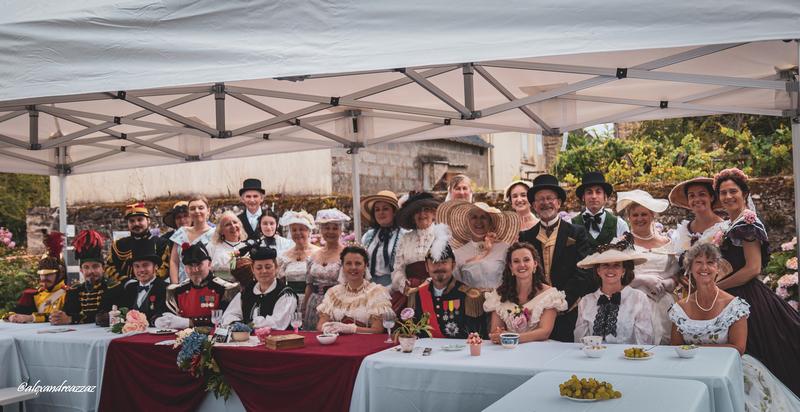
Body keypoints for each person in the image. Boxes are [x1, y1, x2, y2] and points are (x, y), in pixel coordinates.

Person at [669, 242, 800, 410]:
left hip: (730, 370)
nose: (704, 267)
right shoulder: (680, 308)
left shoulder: (735, 306)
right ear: (690, 268)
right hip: (691, 371)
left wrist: (694, 348)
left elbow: (738, 347)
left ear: (718, 268)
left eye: (710, 262)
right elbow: (674, 345)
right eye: (698, 262)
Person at [713, 167, 800, 395]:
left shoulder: (747, 224)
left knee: (758, 349)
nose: (728, 197)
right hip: (732, 293)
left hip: (746, 295)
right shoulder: (731, 224)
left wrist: (716, 288)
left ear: (745, 194)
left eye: (733, 191)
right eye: (723, 193)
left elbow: (753, 268)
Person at [519, 174, 593, 342]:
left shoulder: (577, 233)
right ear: (534, 205)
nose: (545, 203)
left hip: (568, 310)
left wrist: (562, 303)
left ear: (559, 203)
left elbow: (583, 271)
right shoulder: (526, 236)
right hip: (535, 311)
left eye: (550, 198)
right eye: (540, 199)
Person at [616, 190, 680, 345]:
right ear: (629, 217)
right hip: (632, 303)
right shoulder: (621, 244)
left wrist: (666, 284)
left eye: (644, 214)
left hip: (664, 303)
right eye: (635, 215)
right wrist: (642, 279)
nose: (639, 219)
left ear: (652, 216)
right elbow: (614, 278)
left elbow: (675, 276)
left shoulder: (666, 242)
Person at [574, 233, 655, 345]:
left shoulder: (638, 298)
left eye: (616, 265)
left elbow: (645, 342)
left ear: (623, 271)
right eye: (605, 265)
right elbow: (580, 342)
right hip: (594, 359)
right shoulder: (586, 301)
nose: (610, 269)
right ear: (598, 270)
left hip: (628, 359)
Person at [408, 225, 487, 338]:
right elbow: (414, 335)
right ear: (426, 267)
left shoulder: (469, 297)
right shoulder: (416, 296)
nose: (439, 267)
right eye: (435, 262)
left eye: (444, 262)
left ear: (453, 265)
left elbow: (475, 338)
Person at [485, 242, 567, 344]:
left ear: (535, 263)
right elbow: (495, 331)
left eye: (526, 260)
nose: (522, 265)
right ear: (511, 266)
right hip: (508, 349)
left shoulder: (550, 295)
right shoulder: (499, 294)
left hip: (539, 350)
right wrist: (497, 335)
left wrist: (512, 338)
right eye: (516, 261)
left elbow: (545, 332)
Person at [436, 200, 519, 289]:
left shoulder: (504, 248)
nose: (479, 221)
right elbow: (457, 285)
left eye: (483, 217)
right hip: (471, 302)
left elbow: (514, 278)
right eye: (474, 217)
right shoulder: (458, 253)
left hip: (501, 300)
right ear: (468, 222)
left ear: (490, 222)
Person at [155, 243, 239, 328]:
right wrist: (158, 320)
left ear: (209, 265)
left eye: (199, 264)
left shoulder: (225, 289)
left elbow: (225, 319)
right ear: (185, 269)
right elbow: (161, 313)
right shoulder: (178, 291)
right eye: (190, 266)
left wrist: (189, 322)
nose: (195, 270)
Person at [52, 230, 123, 325]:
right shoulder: (76, 290)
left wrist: (71, 319)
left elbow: (101, 314)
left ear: (103, 269)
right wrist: (58, 316)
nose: (91, 271)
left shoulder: (113, 288)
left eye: (95, 266)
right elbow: (68, 311)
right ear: (81, 270)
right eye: (86, 267)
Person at [316, 246, 392, 334]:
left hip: (365, 343)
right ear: (343, 266)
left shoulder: (377, 292)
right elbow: (320, 324)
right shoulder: (334, 293)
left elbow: (378, 330)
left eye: (358, 263)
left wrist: (351, 329)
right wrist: (326, 328)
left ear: (365, 266)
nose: (353, 267)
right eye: (348, 263)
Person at [221, 246, 298, 329]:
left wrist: (247, 324)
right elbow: (229, 315)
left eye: (268, 267)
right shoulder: (247, 291)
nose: (264, 271)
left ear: (276, 268)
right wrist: (238, 324)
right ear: (252, 270)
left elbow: (277, 323)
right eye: (259, 268)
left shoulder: (285, 294)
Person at [391, 191, 442, 314]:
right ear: (412, 216)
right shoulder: (405, 239)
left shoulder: (443, 235)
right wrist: (405, 287)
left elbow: (450, 266)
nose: (422, 214)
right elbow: (398, 268)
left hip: (437, 289)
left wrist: (430, 285)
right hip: (409, 291)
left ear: (434, 213)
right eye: (417, 211)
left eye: (426, 209)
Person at [3, 232, 70, 323]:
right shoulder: (35, 296)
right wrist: (11, 316)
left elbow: (66, 315)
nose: (44, 278)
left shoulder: (69, 294)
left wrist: (33, 318)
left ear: (60, 275)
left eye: (48, 274)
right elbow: (18, 310)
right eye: (42, 274)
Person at [303, 208, 349, 331]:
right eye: (327, 228)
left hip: (337, 304)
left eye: (335, 228)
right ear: (321, 230)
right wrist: (304, 309)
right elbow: (309, 285)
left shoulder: (347, 255)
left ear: (341, 230)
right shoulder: (313, 256)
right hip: (314, 304)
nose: (331, 232)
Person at [106, 203, 171, 283]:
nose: (136, 224)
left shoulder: (161, 244)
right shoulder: (119, 245)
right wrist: (127, 282)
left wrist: (141, 282)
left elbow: (164, 269)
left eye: (140, 219)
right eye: (131, 221)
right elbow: (110, 269)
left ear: (148, 220)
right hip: (124, 290)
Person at [668, 176, 729, 258]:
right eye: (692, 196)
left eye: (702, 194)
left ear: (712, 197)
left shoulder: (724, 229)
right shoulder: (683, 231)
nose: (697, 199)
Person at [360, 191, 408, 294]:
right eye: (377, 210)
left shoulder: (404, 236)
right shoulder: (368, 236)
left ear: (395, 212)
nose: (380, 213)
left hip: (395, 291)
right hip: (369, 290)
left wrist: (387, 290)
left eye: (385, 208)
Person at [570, 172, 629, 254]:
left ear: (605, 196)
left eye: (598, 192)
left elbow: (627, 258)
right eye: (589, 192)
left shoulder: (620, 225)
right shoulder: (570, 225)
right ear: (583, 197)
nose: (594, 196)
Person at [118, 237, 169, 326]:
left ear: (155, 266)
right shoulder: (129, 288)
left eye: (145, 265)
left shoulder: (165, 289)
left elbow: (162, 315)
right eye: (136, 266)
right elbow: (120, 313)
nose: (141, 270)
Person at [169, 195, 215, 284]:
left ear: (208, 210)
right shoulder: (181, 232)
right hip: (182, 285)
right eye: (192, 208)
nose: (197, 211)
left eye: (201, 208)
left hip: (207, 285)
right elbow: (174, 261)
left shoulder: (215, 234)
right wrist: (175, 286)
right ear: (189, 212)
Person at [277, 210, 319, 302]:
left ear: (309, 230)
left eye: (301, 229)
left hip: (314, 300)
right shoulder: (283, 257)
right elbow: (280, 286)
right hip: (290, 302)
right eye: (294, 230)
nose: (297, 233)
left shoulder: (319, 253)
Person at [207, 211, 248, 281]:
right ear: (221, 230)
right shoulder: (212, 247)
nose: (233, 226)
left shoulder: (247, 247)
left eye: (235, 222)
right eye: (228, 224)